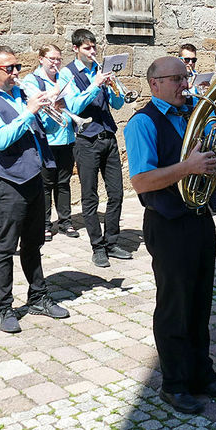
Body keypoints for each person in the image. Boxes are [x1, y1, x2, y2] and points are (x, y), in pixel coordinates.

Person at [123, 56, 216, 415]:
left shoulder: (197, 113)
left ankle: (201, 373)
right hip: (168, 223)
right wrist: (186, 167)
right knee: (175, 306)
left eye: (185, 77)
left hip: (199, 217)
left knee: (200, 301)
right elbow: (142, 181)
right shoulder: (142, 123)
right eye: (175, 79)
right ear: (155, 84)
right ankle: (173, 384)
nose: (183, 84)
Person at [0, 46, 69, 333]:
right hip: (8, 182)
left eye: (17, 67)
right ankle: (3, 307)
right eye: (9, 68)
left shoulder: (19, 95)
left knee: (34, 243)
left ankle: (38, 296)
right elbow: (1, 139)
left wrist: (51, 110)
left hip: (34, 176)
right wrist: (29, 111)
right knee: (5, 247)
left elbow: (39, 130)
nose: (15, 73)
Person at [57, 29, 132, 268]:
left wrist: (112, 87)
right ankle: (97, 247)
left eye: (94, 47)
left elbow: (119, 105)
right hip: (86, 141)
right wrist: (94, 84)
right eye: (87, 48)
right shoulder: (66, 74)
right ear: (75, 49)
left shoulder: (99, 71)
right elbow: (75, 105)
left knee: (117, 194)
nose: (92, 52)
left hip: (108, 136)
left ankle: (112, 242)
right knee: (90, 197)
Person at [21, 44, 80, 242]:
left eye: (58, 59)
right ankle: (44, 224)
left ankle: (65, 221)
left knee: (64, 183)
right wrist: (54, 97)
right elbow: (35, 108)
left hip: (66, 137)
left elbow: (73, 102)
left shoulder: (63, 78)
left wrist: (64, 103)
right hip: (46, 139)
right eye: (51, 59)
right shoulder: (32, 80)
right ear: (41, 59)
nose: (55, 63)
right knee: (45, 184)